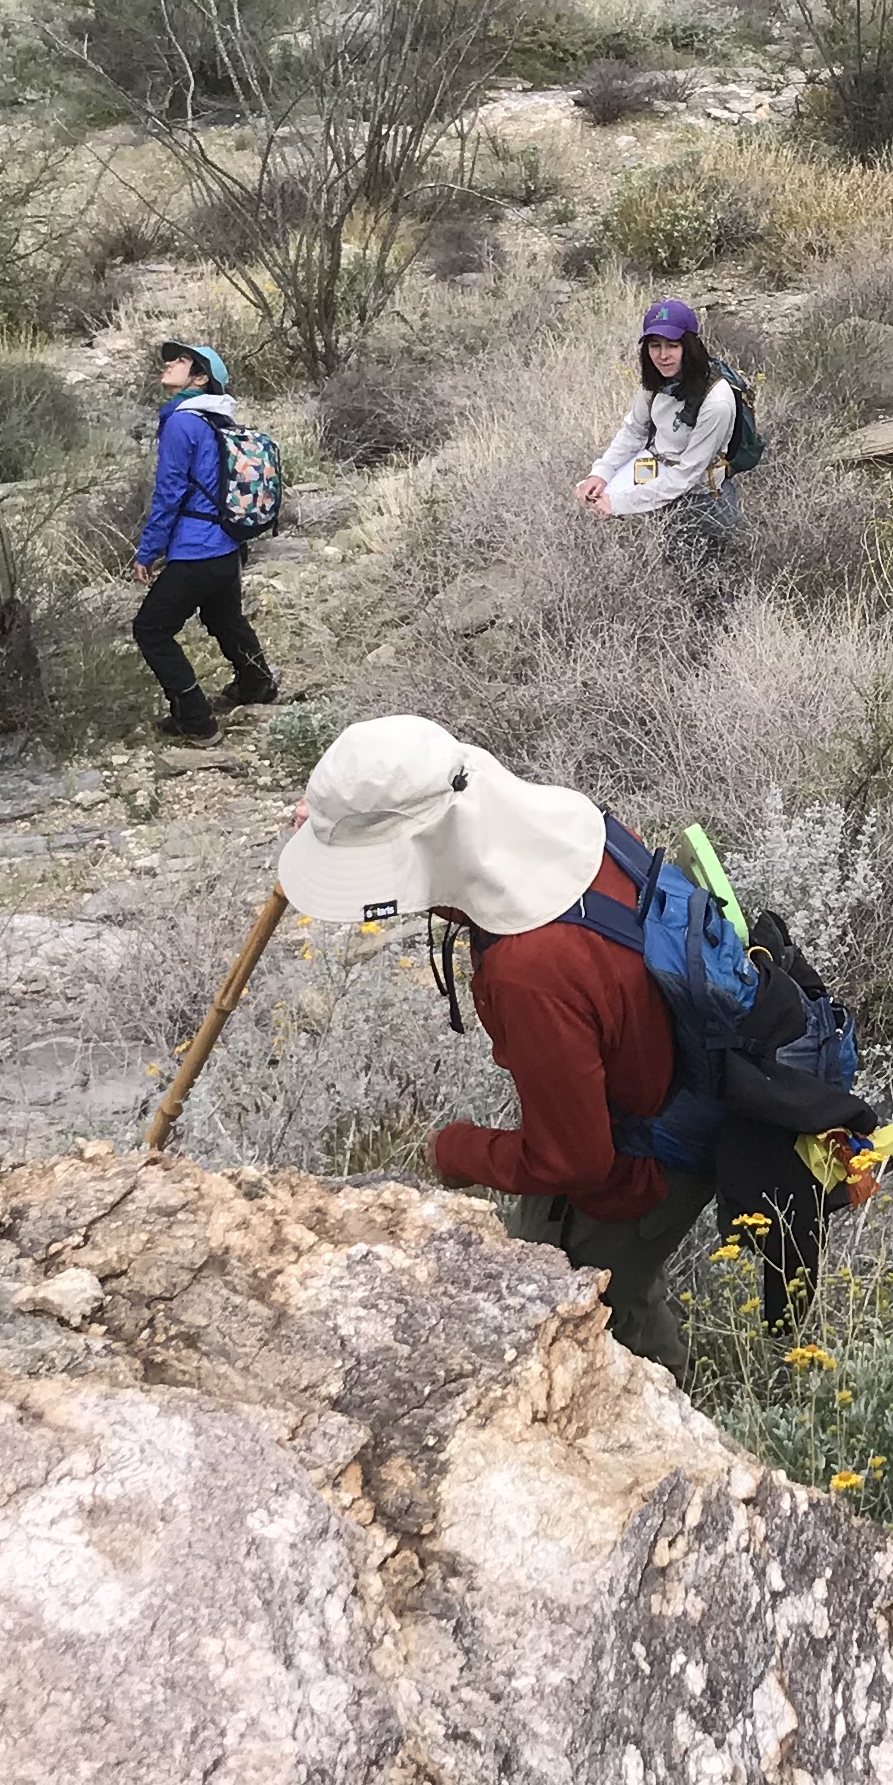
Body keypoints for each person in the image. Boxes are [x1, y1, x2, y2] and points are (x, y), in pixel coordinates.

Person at [272, 714, 716, 1371]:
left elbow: (575, 1162)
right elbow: (458, 864)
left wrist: (456, 1151)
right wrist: (346, 827)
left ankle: (664, 1398)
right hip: (663, 1091)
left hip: (638, 1166)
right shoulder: (568, 828)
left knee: (585, 1306)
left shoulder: (528, 974)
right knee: (610, 1279)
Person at [132, 337, 276, 744]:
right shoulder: (217, 419)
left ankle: (196, 719)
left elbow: (169, 493)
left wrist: (148, 551)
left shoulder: (182, 422)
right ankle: (257, 684)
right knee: (224, 618)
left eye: (180, 361)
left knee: (151, 629)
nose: (168, 364)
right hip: (227, 546)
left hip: (196, 549)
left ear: (199, 378)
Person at [578, 298, 739, 522]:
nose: (663, 356)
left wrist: (617, 503)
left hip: (701, 502)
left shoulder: (716, 402)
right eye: (655, 345)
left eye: (673, 345)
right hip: (657, 475)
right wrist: (601, 473)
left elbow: (687, 474)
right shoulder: (656, 382)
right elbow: (634, 431)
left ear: (689, 347)